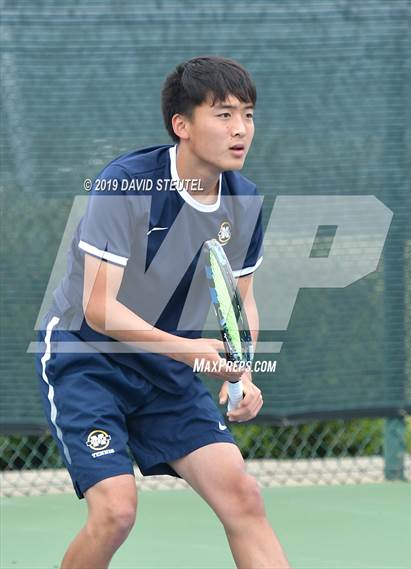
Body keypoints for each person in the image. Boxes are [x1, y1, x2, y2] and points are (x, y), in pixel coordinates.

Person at [36, 56, 291, 569]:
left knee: (242, 495)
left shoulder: (245, 202)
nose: (241, 129)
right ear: (182, 125)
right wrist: (191, 352)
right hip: (88, 362)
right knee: (116, 512)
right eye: (223, 114)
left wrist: (242, 372)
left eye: (248, 114)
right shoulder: (125, 185)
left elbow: (242, 301)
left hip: (165, 371)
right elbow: (98, 308)